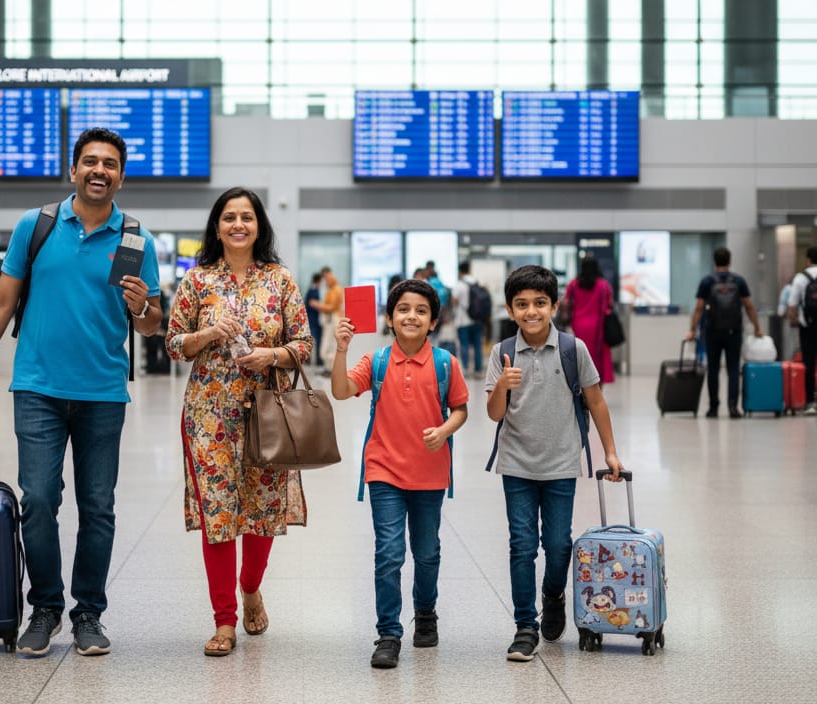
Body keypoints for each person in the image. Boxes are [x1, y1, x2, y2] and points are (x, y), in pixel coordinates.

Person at [0, 127, 162, 658]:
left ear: (121, 176)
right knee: (38, 500)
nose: (99, 170)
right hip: (37, 386)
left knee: (98, 505)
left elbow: (153, 324)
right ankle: (44, 607)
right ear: (73, 170)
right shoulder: (35, 226)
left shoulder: (134, 240)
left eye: (110, 163)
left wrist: (139, 306)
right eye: (90, 161)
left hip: (103, 391)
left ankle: (88, 613)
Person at [166, 186, 313, 657]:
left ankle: (251, 587)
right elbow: (172, 344)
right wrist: (208, 332)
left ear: (259, 225)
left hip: (268, 413)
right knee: (219, 516)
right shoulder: (197, 281)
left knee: (262, 513)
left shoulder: (280, 280)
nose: (237, 225)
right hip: (208, 416)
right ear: (216, 226)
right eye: (229, 217)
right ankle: (224, 620)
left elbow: (305, 344)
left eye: (246, 217)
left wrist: (271, 354)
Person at [485, 264, 624, 662]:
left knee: (559, 544)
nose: (532, 311)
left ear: (555, 306)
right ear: (511, 310)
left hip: (562, 461)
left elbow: (595, 400)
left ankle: (553, 594)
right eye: (522, 304)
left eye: (540, 303)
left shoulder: (572, 349)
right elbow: (493, 414)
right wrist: (502, 388)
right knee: (522, 546)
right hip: (516, 463)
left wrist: (609, 451)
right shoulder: (503, 352)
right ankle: (525, 626)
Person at [331, 278, 468, 670]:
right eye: (404, 309)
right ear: (389, 318)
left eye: (421, 311)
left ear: (433, 321)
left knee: (427, 554)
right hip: (384, 470)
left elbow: (460, 408)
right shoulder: (375, 361)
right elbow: (341, 391)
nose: (412, 316)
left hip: (430, 474)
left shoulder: (446, 363)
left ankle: (425, 613)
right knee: (389, 554)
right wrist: (342, 351)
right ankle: (388, 632)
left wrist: (444, 430)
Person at [686, 246, 763, 419]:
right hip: (733, 331)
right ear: (729, 261)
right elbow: (749, 306)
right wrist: (757, 327)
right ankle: (733, 407)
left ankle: (713, 408)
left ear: (715, 262)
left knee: (713, 369)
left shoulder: (707, 281)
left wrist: (692, 330)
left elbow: (698, 308)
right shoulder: (738, 281)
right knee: (733, 369)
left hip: (712, 331)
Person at [561, 256, 616, 386]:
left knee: (579, 355)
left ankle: (580, 384)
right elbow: (609, 305)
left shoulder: (574, 284)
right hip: (598, 326)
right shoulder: (603, 285)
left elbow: (566, 302)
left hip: (578, 325)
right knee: (597, 357)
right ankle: (597, 387)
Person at [787, 245, 817, 415]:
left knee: (809, 363)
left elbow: (792, 306)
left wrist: (795, 322)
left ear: (808, 259)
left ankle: (810, 402)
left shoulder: (801, 277)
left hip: (808, 327)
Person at [314, 266, 344, 374]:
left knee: (329, 346)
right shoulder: (331, 289)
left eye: (326, 279)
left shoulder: (336, 289)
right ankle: (328, 368)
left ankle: (331, 369)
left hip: (334, 319)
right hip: (330, 319)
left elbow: (332, 307)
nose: (324, 282)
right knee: (327, 346)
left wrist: (318, 305)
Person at [454, 261, 476, 374]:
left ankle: (466, 368)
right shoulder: (476, 282)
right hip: (477, 319)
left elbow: (454, 300)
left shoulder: (460, 284)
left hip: (463, 320)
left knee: (464, 344)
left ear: (460, 271)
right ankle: (478, 369)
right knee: (477, 345)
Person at [305, 272, 324, 366]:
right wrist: (327, 307)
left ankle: (318, 360)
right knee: (312, 340)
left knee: (318, 340)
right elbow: (312, 303)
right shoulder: (313, 290)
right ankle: (308, 359)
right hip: (312, 320)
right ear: (319, 281)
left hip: (315, 319)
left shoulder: (314, 289)